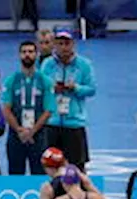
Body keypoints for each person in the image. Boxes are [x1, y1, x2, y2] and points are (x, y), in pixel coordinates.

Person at [39, 30, 96, 169]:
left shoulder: (84, 65)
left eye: (67, 43)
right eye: (60, 43)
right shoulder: (47, 64)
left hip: (74, 123)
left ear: (73, 45)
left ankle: (78, 191)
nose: (64, 47)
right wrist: (52, 88)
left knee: (76, 168)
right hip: (52, 122)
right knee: (50, 167)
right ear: (54, 45)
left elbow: (91, 89)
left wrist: (76, 88)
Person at [1, 41, 52, 175]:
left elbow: (48, 110)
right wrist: (19, 130)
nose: (27, 55)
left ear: (36, 54)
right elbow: (6, 109)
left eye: (30, 52)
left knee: (39, 174)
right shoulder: (11, 80)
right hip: (16, 135)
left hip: (38, 135)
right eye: (24, 52)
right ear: (19, 55)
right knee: (15, 174)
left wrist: (32, 131)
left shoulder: (45, 80)